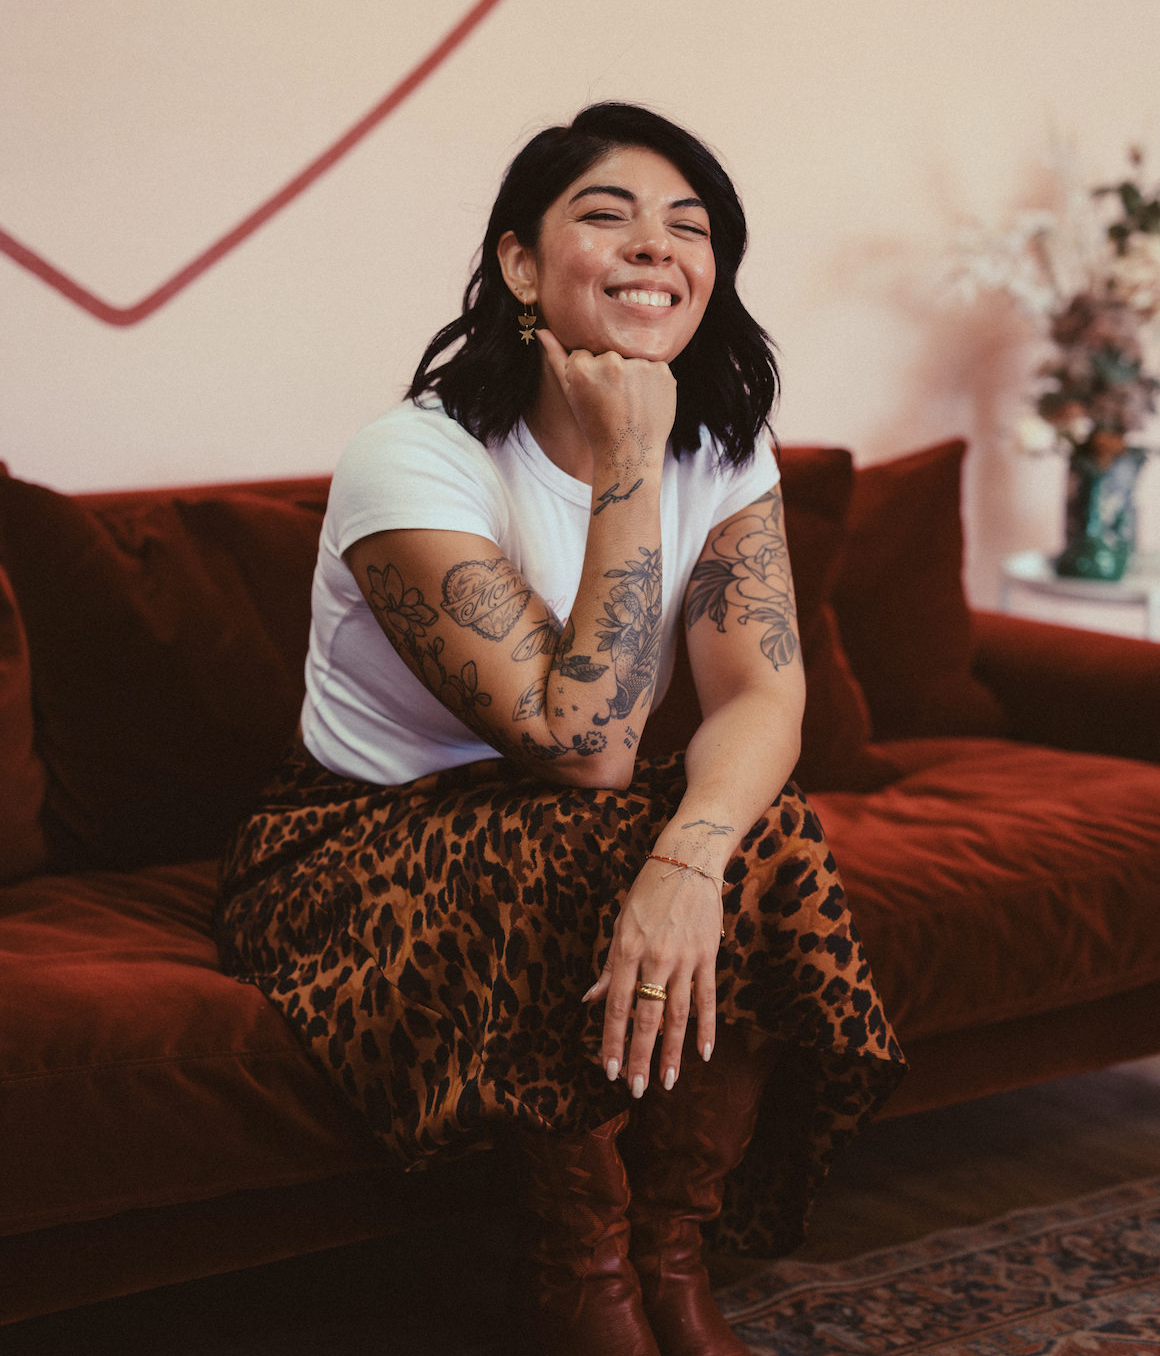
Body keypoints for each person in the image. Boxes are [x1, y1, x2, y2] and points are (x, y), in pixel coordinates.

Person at [216, 102, 905, 1356]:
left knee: (761, 836)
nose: (655, 247)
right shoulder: (413, 458)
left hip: (568, 824)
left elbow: (760, 695)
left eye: (688, 227)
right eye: (607, 215)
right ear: (520, 265)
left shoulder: (723, 447)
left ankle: (669, 1254)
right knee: (579, 841)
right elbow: (584, 744)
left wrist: (690, 858)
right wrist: (626, 460)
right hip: (354, 843)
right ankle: (577, 1275)